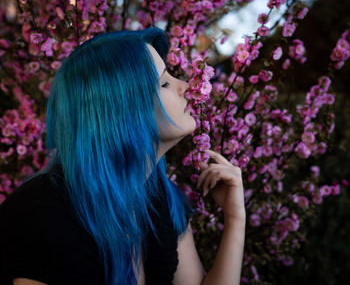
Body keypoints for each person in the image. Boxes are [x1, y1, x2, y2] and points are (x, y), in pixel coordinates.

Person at [0, 27, 246, 285]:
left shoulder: (159, 198)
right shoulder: (45, 217)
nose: (185, 86)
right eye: (164, 82)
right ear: (122, 111)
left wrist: (235, 217)